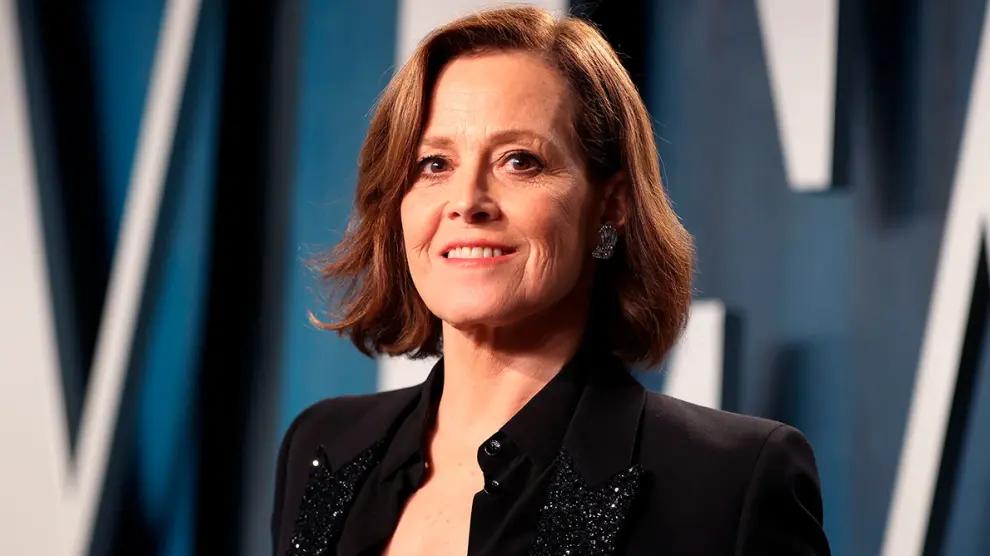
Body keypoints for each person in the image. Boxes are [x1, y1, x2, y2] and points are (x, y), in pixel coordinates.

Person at [270, 6, 830, 556]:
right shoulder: (324, 447)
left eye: (519, 161)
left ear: (611, 205)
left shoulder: (730, 482)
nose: (467, 201)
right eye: (434, 164)